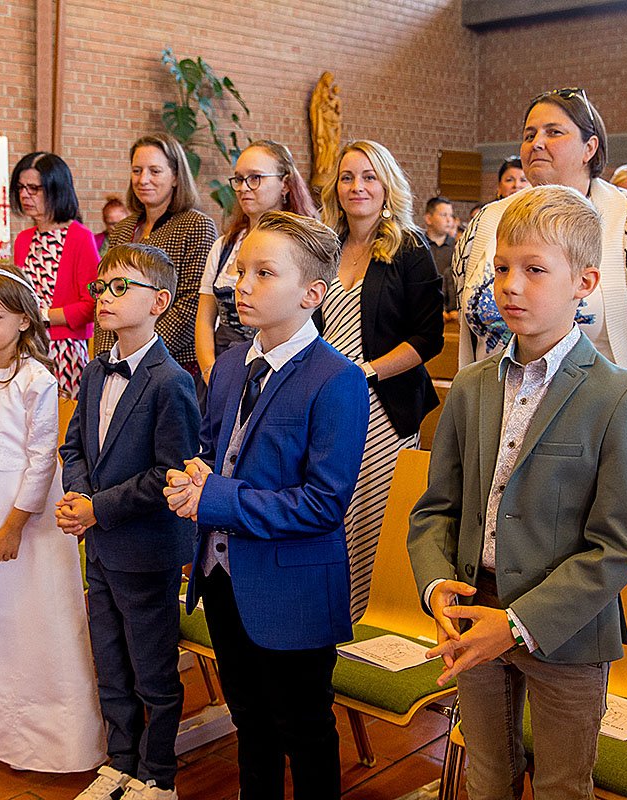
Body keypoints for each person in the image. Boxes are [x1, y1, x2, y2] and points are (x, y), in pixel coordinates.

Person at [409, 185, 627, 800]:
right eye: (500, 269)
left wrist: (518, 625)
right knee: (487, 773)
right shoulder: (470, 387)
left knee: (562, 785)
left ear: (584, 282)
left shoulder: (617, 395)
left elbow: (619, 546)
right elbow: (437, 509)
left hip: (566, 629)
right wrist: (437, 587)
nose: (510, 286)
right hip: (473, 606)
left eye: (534, 270)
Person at [166, 211, 369, 799]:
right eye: (241, 271)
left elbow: (322, 504)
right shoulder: (231, 364)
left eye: (264, 273)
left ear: (312, 294)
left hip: (291, 586)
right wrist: (193, 475)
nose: (242, 286)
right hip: (222, 576)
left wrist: (215, 497)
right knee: (249, 720)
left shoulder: (337, 379)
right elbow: (213, 448)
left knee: (302, 727)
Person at [456, 87, 627, 487]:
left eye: (554, 132)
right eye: (529, 134)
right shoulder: (486, 223)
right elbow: (471, 319)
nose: (537, 143)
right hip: (504, 423)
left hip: (607, 432)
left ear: (590, 147)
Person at [0, 265, 104, 773]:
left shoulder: (36, 380)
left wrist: (13, 526)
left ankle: (42, 736)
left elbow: (40, 458)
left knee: (29, 610)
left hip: (27, 513)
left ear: (24, 320)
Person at [57, 244, 200, 800]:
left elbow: (171, 473)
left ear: (159, 302)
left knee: (153, 671)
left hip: (145, 549)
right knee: (110, 661)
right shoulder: (96, 370)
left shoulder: (171, 381)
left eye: (121, 287)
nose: (105, 297)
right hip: (100, 547)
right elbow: (73, 446)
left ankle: (157, 775)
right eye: (101, 287)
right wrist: (78, 495)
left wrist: (99, 507)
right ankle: (119, 763)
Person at [319, 140, 444, 618]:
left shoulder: (409, 248)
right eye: (348, 177)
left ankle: (366, 621)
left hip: (383, 407)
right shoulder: (325, 247)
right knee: (332, 511)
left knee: (371, 517)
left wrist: (365, 372)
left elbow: (428, 338)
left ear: (387, 185)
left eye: (369, 176)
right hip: (328, 402)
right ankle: (329, 619)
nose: (358, 187)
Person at [196, 140, 318, 388]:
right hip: (223, 370)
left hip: (284, 372)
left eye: (255, 178)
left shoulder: (305, 247)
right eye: (239, 179)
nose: (243, 188)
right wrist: (211, 372)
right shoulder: (224, 246)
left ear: (285, 184)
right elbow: (204, 320)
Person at [95, 134, 218, 375]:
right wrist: (106, 358)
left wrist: (141, 354)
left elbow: (192, 303)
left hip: (172, 363)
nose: (143, 179)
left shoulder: (196, 225)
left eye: (155, 171)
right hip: (119, 359)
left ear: (175, 176)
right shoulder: (123, 229)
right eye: (137, 171)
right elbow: (104, 293)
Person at [12, 152, 100, 398]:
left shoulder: (80, 237)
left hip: (65, 351)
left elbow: (93, 303)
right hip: (26, 346)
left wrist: (42, 316)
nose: (24, 195)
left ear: (57, 189)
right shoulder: (23, 239)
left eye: (34, 188)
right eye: (21, 187)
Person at [424, 196, 459, 321]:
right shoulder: (418, 246)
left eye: (451, 215)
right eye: (444, 215)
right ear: (428, 218)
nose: (449, 220)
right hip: (423, 310)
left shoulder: (458, 247)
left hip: (451, 314)